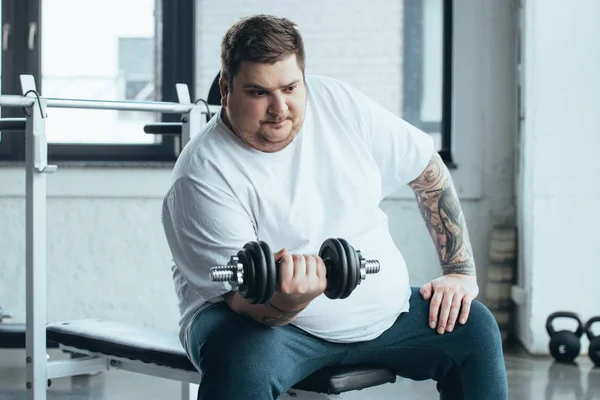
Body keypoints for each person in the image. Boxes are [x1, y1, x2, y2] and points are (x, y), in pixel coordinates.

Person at [161, 14, 508, 400]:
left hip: (386, 318)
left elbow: (426, 167)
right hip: (271, 328)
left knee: (473, 327)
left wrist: (459, 271)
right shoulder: (201, 175)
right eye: (258, 93)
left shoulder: (337, 103)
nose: (280, 108)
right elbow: (247, 304)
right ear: (226, 88)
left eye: (291, 87)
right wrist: (292, 299)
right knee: (239, 359)